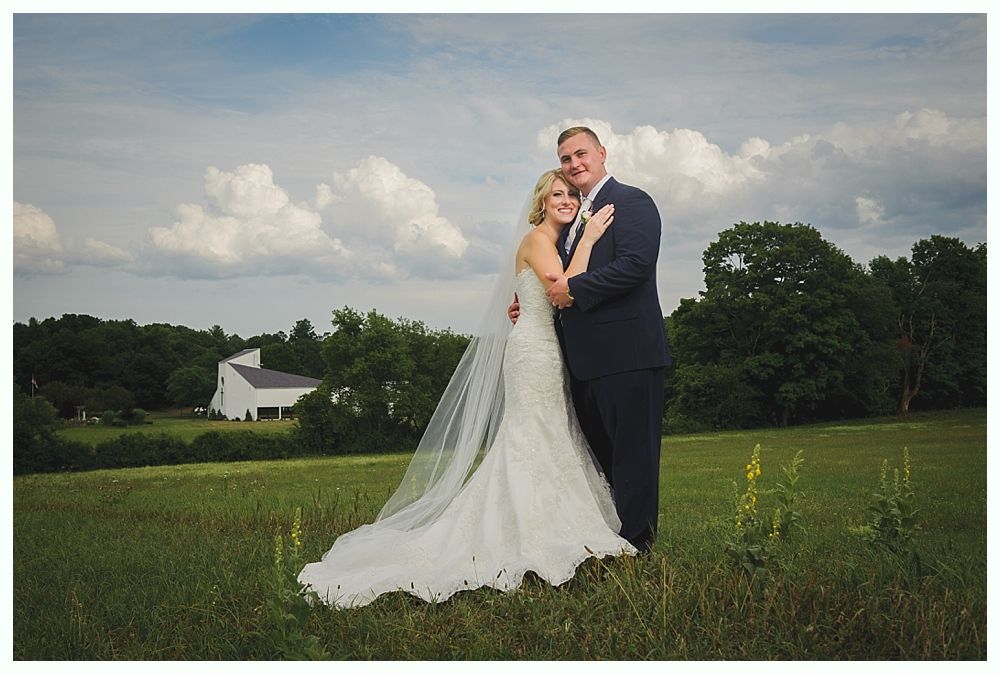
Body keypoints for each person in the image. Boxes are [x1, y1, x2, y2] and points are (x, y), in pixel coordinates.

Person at [298, 169, 635, 608]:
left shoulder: (551, 244)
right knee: (530, 438)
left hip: (546, 348)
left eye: (572, 193)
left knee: (549, 437)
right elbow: (561, 290)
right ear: (542, 201)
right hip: (533, 353)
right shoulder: (537, 240)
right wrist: (589, 240)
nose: (567, 199)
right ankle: (523, 535)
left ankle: (552, 525)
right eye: (558, 194)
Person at [508, 126, 669, 553]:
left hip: (628, 354)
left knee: (633, 458)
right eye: (565, 158)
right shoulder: (575, 219)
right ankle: (606, 535)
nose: (574, 163)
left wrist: (573, 291)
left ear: (601, 153)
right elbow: (551, 280)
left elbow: (635, 265)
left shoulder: (632, 201)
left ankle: (638, 545)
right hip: (582, 361)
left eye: (581, 154)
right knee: (598, 460)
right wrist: (529, 303)